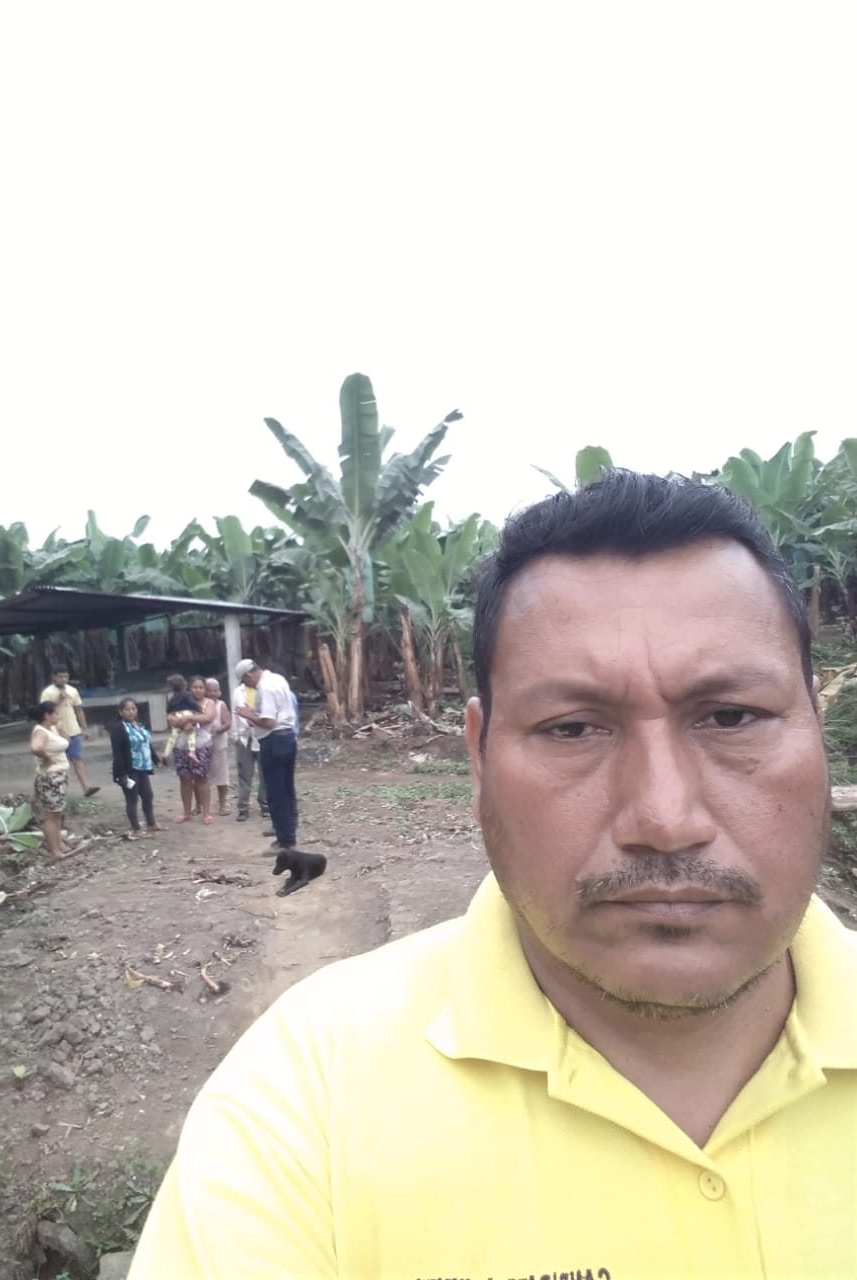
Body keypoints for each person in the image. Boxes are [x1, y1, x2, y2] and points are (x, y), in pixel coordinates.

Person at [130, 471, 857, 1280]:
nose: (663, 817)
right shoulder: (308, 1095)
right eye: (572, 728)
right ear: (477, 758)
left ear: (816, 727)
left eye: (730, 717)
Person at [233, 658, 297, 851]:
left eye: (246, 682)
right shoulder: (277, 679)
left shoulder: (265, 687)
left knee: (276, 792)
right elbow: (276, 712)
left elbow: (269, 722)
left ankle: (285, 840)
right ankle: (289, 830)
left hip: (273, 741)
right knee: (287, 789)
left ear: (248, 675)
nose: (248, 686)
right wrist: (255, 713)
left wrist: (248, 715)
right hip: (287, 738)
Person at [39, 664, 99, 797]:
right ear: (54, 677)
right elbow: (44, 712)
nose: (64, 679)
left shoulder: (72, 690)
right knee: (58, 762)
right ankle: (57, 790)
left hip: (73, 730)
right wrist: (59, 700)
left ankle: (86, 788)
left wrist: (84, 728)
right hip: (55, 732)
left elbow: (79, 710)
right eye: (60, 677)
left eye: (66, 676)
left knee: (77, 758)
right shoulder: (48, 693)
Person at [167, 674, 217, 824]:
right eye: (195, 687)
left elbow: (208, 717)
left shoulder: (209, 703)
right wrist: (182, 723)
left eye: (201, 687)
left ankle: (206, 813)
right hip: (181, 746)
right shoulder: (178, 701)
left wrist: (189, 718)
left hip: (201, 746)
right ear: (189, 688)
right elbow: (170, 719)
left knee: (202, 778)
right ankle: (186, 812)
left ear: (205, 689)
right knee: (184, 779)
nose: (197, 690)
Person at [109, 697, 162, 839]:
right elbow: (117, 754)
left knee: (148, 795)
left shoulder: (139, 725)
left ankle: (151, 823)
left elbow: (147, 744)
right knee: (132, 799)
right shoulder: (119, 729)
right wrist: (122, 774)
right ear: (121, 712)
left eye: (133, 709)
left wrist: (155, 759)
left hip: (142, 767)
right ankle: (136, 828)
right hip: (129, 769)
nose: (131, 712)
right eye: (127, 709)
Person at [27, 701, 70, 859]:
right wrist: (47, 758)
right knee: (51, 815)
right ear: (47, 715)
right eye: (56, 713)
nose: (58, 716)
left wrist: (61, 728)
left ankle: (59, 844)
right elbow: (36, 747)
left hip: (59, 776)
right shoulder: (41, 732)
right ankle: (55, 850)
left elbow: (67, 742)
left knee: (57, 813)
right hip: (50, 778)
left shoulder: (51, 729)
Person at [230, 668, 270, 824]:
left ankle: (265, 805)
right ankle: (243, 808)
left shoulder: (264, 690)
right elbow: (235, 715)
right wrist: (236, 736)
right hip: (244, 738)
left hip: (261, 737)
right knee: (244, 775)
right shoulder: (238, 692)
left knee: (265, 774)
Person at [204, 677, 233, 816]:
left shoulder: (221, 705)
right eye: (209, 690)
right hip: (202, 746)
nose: (212, 693)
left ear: (219, 691)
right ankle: (202, 807)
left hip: (219, 744)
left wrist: (217, 730)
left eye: (215, 690)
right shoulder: (200, 705)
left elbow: (227, 723)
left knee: (222, 777)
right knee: (202, 778)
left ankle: (222, 805)